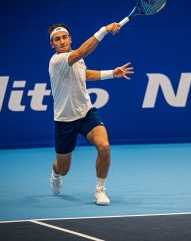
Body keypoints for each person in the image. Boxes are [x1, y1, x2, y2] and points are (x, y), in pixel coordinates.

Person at [47, 22, 134, 205]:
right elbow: (82, 52)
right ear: (52, 44)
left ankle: (100, 191)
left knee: (104, 146)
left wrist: (112, 73)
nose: (62, 41)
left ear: (70, 39)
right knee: (64, 168)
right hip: (65, 120)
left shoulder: (75, 58)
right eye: (57, 39)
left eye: (64, 37)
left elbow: (84, 74)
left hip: (86, 112)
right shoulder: (57, 61)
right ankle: (56, 173)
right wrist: (104, 30)